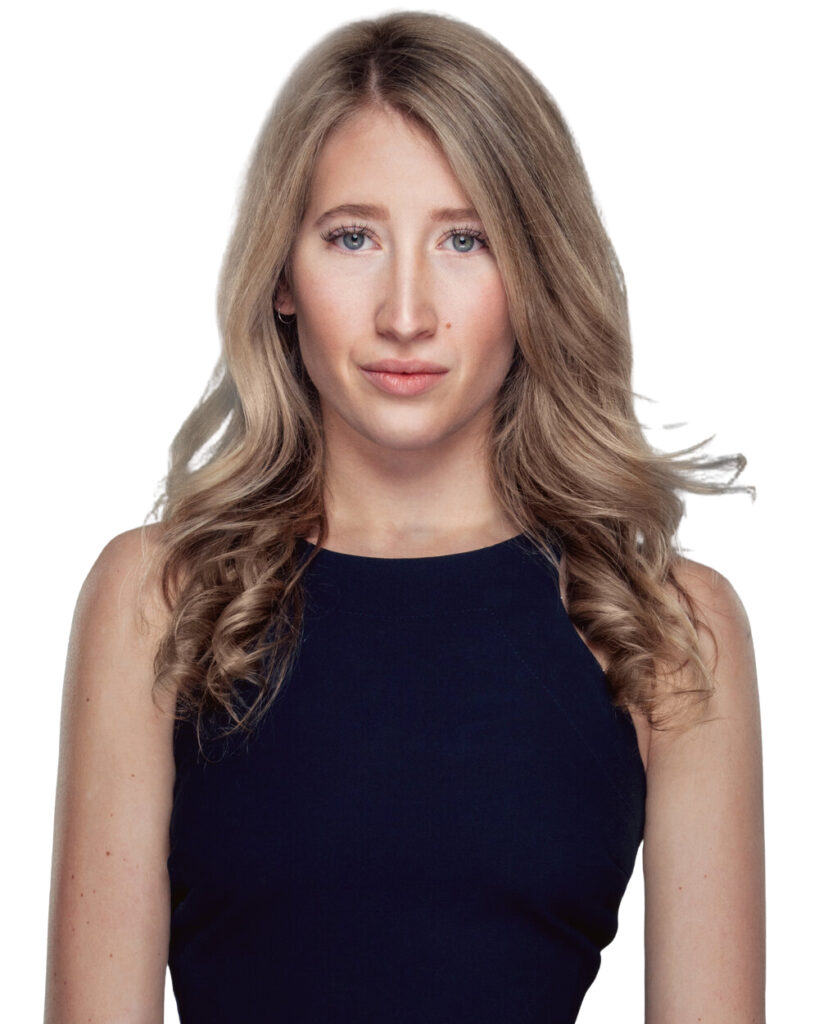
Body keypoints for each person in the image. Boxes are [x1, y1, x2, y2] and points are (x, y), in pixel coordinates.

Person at [44, 11, 765, 1023]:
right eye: (353, 238)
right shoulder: (158, 599)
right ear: (282, 276)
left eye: (466, 239)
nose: (406, 314)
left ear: (533, 274)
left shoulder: (670, 627)